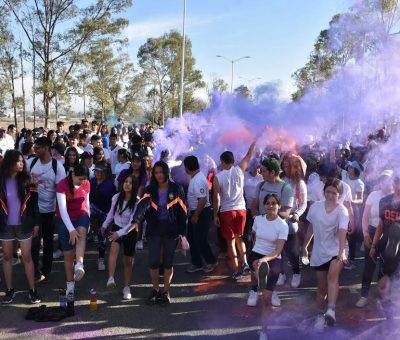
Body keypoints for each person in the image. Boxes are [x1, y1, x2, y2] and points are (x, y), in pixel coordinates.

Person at [127, 161, 187, 306]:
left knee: (168, 263)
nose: (159, 175)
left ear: (166, 173)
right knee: (153, 262)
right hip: (154, 229)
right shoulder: (150, 189)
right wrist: (135, 221)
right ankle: (155, 290)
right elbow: (142, 206)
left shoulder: (177, 189)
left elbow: (183, 212)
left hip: (171, 230)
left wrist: (182, 234)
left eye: (161, 172)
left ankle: (166, 292)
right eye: (156, 172)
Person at [303, 178, 349, 327]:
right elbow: (311, 227)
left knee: (332, 277)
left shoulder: (342, 211)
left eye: (334, 193)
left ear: (339, 195)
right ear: (324, 192)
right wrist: (305, 246)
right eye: (328, 191)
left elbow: (343, 232)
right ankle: (320, 314)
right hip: (319, 251)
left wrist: (341, 253)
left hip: (337, 249)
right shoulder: (315, 207)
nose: (330, 195)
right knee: (322, 287)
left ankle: (331, 310)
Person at [0, 150, 41, 304]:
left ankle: (32, 290)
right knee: (7, 257)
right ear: (10, 162)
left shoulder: (27, 181)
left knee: (27, 257)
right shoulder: (1, 180)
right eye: (18, 161)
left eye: (22, 161)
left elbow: (34, 204)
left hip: (24, 224)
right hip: (5, 225)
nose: (22, 164)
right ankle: (10, 290)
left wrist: (37, 223)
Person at [246, 194, 288, 340]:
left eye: (274, 203)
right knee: (257, 264)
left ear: (279, 206)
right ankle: (260, 278)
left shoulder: (283, 225)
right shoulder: (258, 220)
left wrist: (265, 259)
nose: (270, 206)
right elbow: (255, 240)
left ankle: (264, 331)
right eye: (268, 203)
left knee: (266, 301)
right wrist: (258, 258)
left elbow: (277, 251)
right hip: (257, 254)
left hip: (273, 258)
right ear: (264, 206)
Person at [213, 142, 256, 280]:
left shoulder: (218, 177)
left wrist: (215, 214)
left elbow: (216, 198)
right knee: (239, 238)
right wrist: (256, 139)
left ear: (222, 162)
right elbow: (249, 154)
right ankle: (245, 264)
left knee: (230, 242)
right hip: (241, 209)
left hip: (227, 211)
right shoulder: (239, 170)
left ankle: (237, 270)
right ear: (233, 161)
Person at [26, 137, 66, 283]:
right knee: (34, 243)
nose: (35, 150)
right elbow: (23, 182)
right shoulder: (31, 163)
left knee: (48, 242)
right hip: (33, 212)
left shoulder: (58, 167)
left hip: (49, 211)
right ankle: (34, 272)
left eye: (38, 147)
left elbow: (61, 192)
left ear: (47, 147)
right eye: (35, 147)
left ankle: (46, 271)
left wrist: (60, 213)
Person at [355, 169, 393, 308]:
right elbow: (365, 217)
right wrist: (365, 235)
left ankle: (380, 298)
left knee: (384, 268)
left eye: (388, 180)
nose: (385, 182)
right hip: (371, 232)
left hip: (389, 236)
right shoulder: (373, 195)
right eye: (382, 179)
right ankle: (364, 295)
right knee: (369, 266)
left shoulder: (395, 198)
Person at [56, 163, 90, 298]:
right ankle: (70, 285)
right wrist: (70, 229)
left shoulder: (86, 183)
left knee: (81, 231)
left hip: (81, 215)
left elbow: (87, 203)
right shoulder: (62, 185)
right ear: (73, 174)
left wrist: (88, 219)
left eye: (84, 179)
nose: (82, 181)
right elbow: (62, 210)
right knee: (68, 254)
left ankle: (79, 264)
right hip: (64, 220)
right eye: (80, 179)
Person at [101, 175, 139, 300]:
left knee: (127, 261)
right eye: (126, 182)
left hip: (130, 231)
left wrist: (120, 233)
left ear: (134, 186)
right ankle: (110, 278)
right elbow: (111, 214)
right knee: (113, 250)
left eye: (130, 182)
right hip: (116, 227)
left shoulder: (137, 201)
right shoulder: (116, 197)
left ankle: (127, 287)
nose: (127, 184)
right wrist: (104, 226)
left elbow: (132, 222)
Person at [369, 172, 400, 319]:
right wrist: (374, 245)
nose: (399, 187)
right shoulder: (384, 201)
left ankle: (392, 316)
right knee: (382, 284)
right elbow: (380, 226)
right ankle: (388, 312)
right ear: (393, 184)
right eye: (397, 183)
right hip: (387, 248)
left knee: (394, 285)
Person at [184, 156, 217, 273]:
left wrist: (196, 215)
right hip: (196, 211)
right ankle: (196, 262)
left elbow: (202, 199)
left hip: (201, 212)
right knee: (192, 238)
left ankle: (211, 261)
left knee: (200, 239)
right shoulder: (195, 177)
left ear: (187, 167)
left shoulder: (198, 180)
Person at [279, 154, 307, 288]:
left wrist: (297, 214)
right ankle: (281, 273)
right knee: (279, 249)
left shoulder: (299, 183)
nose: (284, 168)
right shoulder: (279, 179)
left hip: (291, 221)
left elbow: (303, 204)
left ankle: (296, 272)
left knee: (292, 250)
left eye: (286, 165)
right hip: (277, 219)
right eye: (283, 166)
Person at [89, 161, 116, 271]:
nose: (98, 173)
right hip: (92, 208)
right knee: (83, 229)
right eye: (96, 170)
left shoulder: (109, 184)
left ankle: (101, 258)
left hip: (105, 211)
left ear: (105, 172)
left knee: (102, 235)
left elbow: (112, 201)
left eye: (101, 171)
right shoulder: (91, 181)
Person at [341, 160, 365, 269]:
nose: (348, 168)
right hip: (342, 209)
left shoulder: (359, 183)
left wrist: (351, 202)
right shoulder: (345, 179)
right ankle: (343, 256)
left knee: (351, 236)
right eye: (349, 167)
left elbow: (360, 200)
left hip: (354, 211)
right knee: (342, 233)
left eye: (351, 167)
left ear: (355, 170)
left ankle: (351, 260)